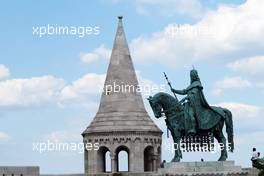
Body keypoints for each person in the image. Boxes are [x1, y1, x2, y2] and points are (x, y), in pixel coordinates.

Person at [171, 68, 225, 135]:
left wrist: (187, 97)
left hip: (196, 105)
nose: (191, 77)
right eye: (191, 76)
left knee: (190, 114)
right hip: (190, 104)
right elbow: (184, 91)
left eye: (192, 75)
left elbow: (194, 95)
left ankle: (193, 129)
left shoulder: (197, 84)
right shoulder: (191, 85)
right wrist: (174, 90)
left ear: (194, 76)